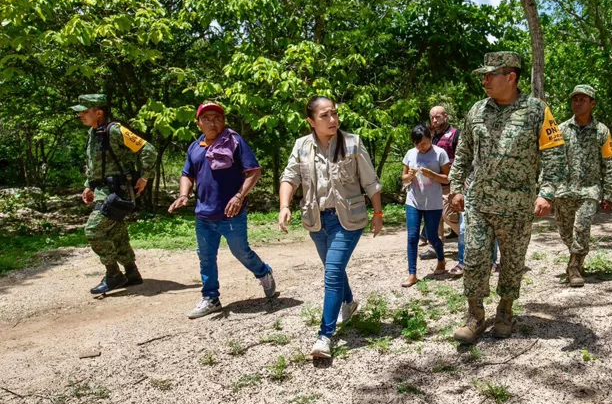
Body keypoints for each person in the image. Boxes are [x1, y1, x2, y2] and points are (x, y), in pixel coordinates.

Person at [449, 51, 566, 344]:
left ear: (511, 77)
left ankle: (505, 311)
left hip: (517, 205)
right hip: (479, 202)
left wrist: (547, 193)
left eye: (491, 75)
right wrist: (455, 187)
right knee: (474, 260)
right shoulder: (476, 111)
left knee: (513, 262)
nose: (485, 80)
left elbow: (554, 155)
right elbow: (463, 152)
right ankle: (475, 315)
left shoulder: (538, 110)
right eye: (484, 75)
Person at [278, 97, 384, 359]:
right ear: (311, 121)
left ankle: (324, 336)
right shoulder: (301, 146)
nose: (333, 120)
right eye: (325, 116)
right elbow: (289, 177)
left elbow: (370, 181)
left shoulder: (352, 143)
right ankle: (348, 303)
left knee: (333, 272)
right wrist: (284, 205)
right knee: (333, 269)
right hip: (316, 219)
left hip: (347, 219)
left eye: (334, 114)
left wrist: (378, 212)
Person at [168, 102, 277, 318]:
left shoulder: (235, 142)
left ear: (224, 121)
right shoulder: (195, 147)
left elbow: (254, 171)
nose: (212, 122)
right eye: (206, 118)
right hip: (204, 215)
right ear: (198, 123)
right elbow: (186, 174)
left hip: (231, 215)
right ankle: (211, 298)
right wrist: (183, 195)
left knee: (241, 252)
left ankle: (263, 271)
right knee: (206, 257)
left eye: (217, 118)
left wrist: (239, 196)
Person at [73, 94, 157, 295]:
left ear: (99, 112)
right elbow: (95, 165)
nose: (80, 115)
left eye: (85, 111)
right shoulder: (94, 133)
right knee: (115, 232)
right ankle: (131, 272)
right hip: (103, 190)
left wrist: (144, 177)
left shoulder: (116, 130)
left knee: (93, 230)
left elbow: (149, 150)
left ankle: (113, 274)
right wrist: (89, 186)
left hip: (117, 192)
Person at [554, 85, 612, 287]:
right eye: (575, 99)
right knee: (566, 232)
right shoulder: (561, 129)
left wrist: (608, 194)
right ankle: (577, 255)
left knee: (581, 227)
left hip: (589, 190)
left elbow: (610, 162)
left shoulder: (602, 131)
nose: (578, 103)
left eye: (583, 99)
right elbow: (551, 160)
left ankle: (574, 266)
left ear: (593, 104)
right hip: (563, 190)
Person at [402, 124, 451, 286]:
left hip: (433, 202)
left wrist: (432, 174)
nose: (420, 147)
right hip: (414, 201)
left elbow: (447, 178)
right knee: (412, 237)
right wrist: (408, 176)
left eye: (423, 143)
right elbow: (403, 178)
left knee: (431, 236)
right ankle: (412, 274)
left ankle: (441, 261)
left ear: (430, 138)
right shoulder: (410, 154)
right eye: (417, 144)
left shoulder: (440, 153)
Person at [419, 106, 461, 265]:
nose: (435, 120)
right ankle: (436, 246)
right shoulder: (430, 136)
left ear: (446, 116)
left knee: (449, 215)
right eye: (432, 118)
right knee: (434, 217)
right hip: (432, 184)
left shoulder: (456, 135)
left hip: (450, 182)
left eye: (437, 117)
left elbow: (463, 159)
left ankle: (469, 241)